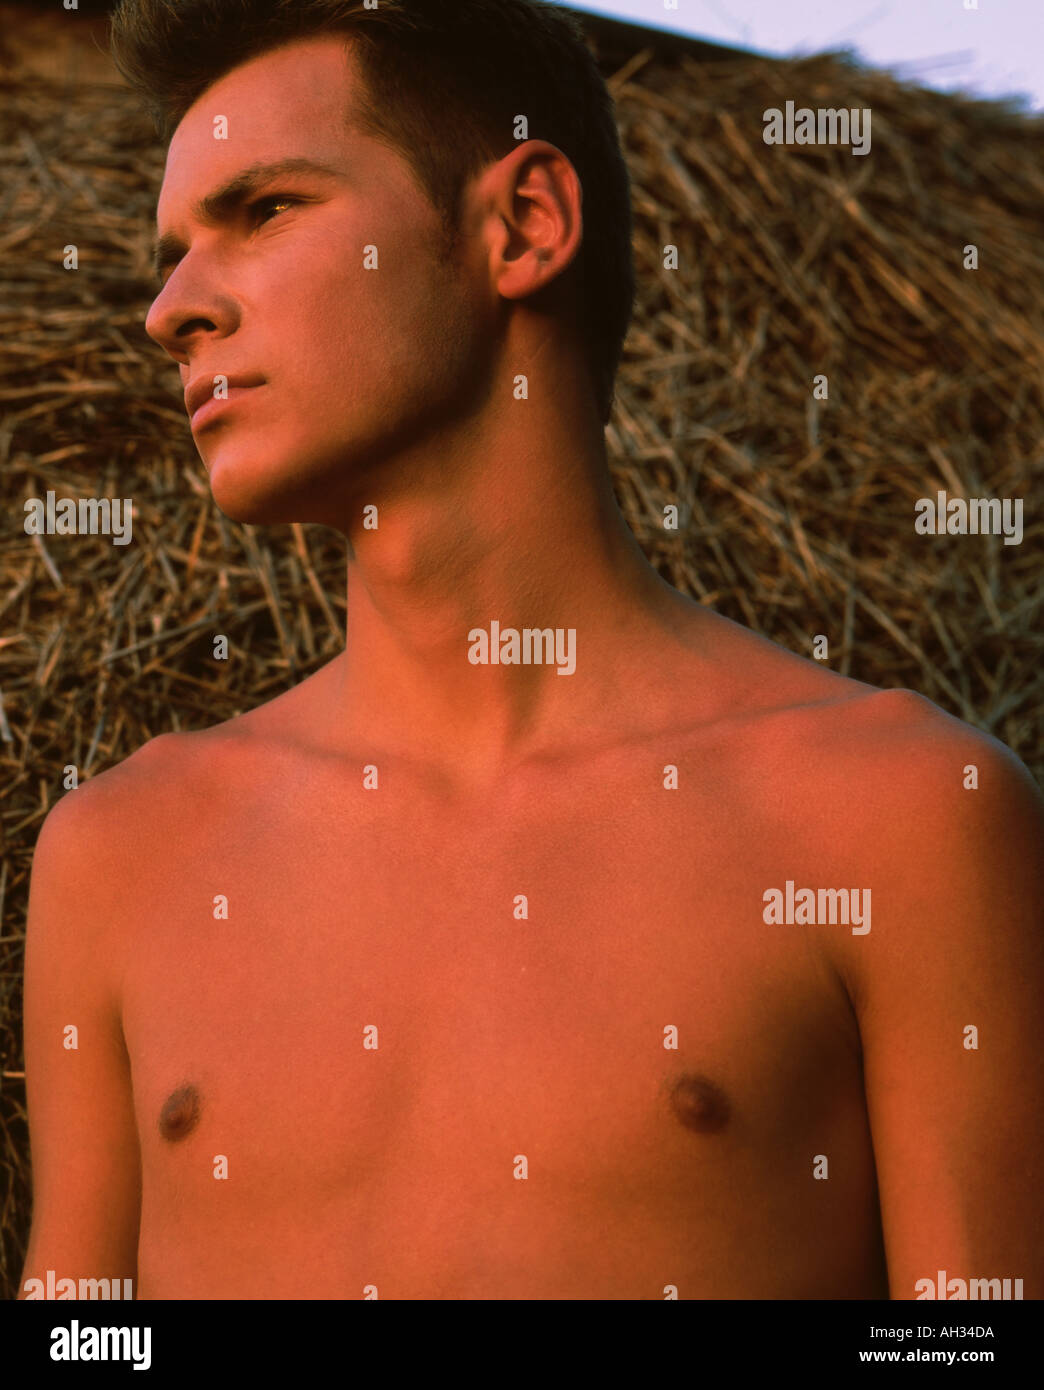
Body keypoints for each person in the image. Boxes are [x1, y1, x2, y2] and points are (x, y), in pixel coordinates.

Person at [20, 0, 1044, 1300]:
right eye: (172, 252)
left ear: (524, 226)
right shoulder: (121, 857)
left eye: (264, 208)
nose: (170, 309)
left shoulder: (897, 823)